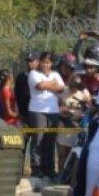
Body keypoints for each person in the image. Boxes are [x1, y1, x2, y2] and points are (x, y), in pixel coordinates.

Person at [28, 51, 66, 181]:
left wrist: (50, 85)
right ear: (39, 62)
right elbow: (40, 85)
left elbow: (61, 88)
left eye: (48, 63)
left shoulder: (56, 74)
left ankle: (49, 168)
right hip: (38, 110)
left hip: (53, 111)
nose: (45, 65)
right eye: (43, 62)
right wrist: (53, 85)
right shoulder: (33, 73)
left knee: (50, 141)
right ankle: (36, 168)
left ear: (51, 64)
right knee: (38, 139)